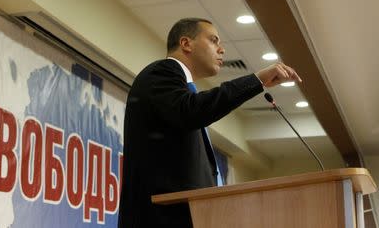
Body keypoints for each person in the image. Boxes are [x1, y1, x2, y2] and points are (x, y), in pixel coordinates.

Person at [118, 18, 302, 228]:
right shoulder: (161, 72)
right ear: (186, 43)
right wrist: (257, 80)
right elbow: (193, 111)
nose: (222, 49)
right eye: (214, 41)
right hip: (160, 220)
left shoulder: (180, 87)